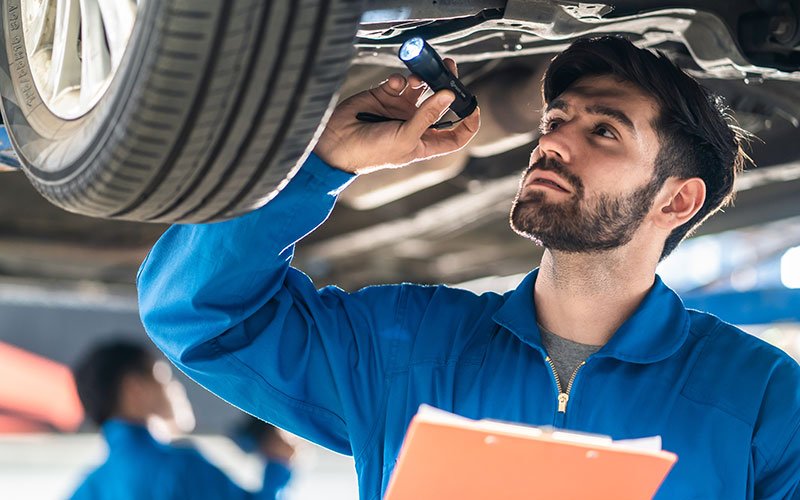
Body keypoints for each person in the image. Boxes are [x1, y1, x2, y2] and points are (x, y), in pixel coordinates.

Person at [137, 36, 800, 499]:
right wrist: (322, 162)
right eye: (555, 120)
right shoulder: (405, 345)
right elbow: (200, 314)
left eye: (603, 131)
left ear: (676, 200)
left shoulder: (762, 396)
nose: (552, 142)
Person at [68, 341, 294, 500]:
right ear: (135, 389)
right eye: (163, 376)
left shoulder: (85, 490)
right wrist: (278, 465)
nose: (176, 387)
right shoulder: (181, 468)